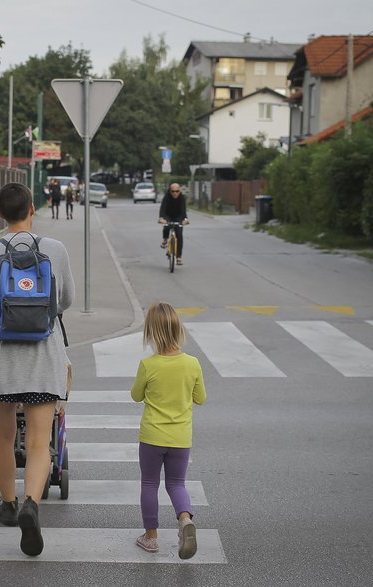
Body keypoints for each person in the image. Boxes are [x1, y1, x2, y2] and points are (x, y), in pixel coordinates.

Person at [0, 182, 75, 556]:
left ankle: (9, 504)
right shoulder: (55, 250)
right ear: (33, 208)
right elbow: (66, 300)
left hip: (1, 359)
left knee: (4, 436)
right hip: (44, 358)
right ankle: (32, 502)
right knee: (40, 441)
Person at [130, 302, 207, 559]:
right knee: (176, 483)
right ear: (178, 330)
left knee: (149, 483)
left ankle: (150, 537)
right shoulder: (192, 363)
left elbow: (136, 395)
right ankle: (185, 520)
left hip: (152, 436)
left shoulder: (148, 364)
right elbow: (201, 398)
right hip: (180, 437)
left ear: (151, 333)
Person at [158, 183, 189, 265]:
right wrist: (161, 218)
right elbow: (162, 208)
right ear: (170, 191)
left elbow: (183, 210)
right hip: (168, 215)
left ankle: (179, 257)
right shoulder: (166, 197)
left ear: (179, 191)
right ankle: (165, 239)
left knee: (179, 234)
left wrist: (185, 219)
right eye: (173, 191)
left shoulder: (182, 198)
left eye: (177, 191)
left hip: (178, 216)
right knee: (167, 225)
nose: (175, 193)